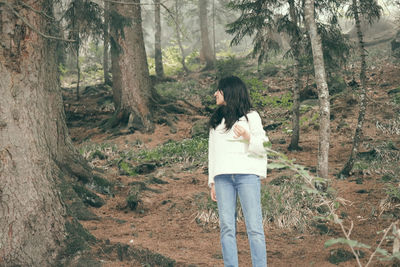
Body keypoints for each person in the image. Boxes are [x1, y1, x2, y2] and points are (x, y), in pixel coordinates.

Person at [208, 76, 268, 267]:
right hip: (222, 178)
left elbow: (264, 146)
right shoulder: (216, 119)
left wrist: (247, 135)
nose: (215, 94)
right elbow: (213, 152)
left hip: (246, 176)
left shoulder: (251, 116)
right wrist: (212, 182)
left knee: (254, 228)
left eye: (219, 90)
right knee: (226, 228)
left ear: (230, 91)